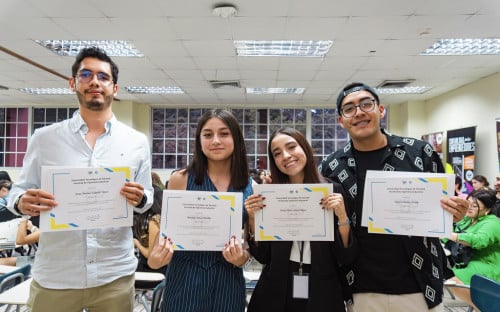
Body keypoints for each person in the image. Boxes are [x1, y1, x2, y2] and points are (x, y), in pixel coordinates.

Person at [6, 46, 153, 312]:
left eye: (103, 76)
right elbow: (17, 192)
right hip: (57, 275)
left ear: (114, 88)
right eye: (86, 75)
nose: (95, 81)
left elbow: (147, 198)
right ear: (73, 83)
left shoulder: (136, 142)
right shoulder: (44, 138)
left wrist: (140, 197)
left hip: (113, 275)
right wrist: (22, 202)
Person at [319, 82, 467, 311]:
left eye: (366, 104)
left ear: (380, 110)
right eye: (349, 109)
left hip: (418, 285)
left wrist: (454, 214)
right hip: (358, 287)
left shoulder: (419, 152)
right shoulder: (332, 165)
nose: (358, 112)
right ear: (341, 120)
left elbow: (443, 211)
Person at [147, 109, 253, 312]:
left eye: (224, 133)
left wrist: (243, 257)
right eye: (207, 134)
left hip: (228, 279)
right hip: (185, 279)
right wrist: (156, 258)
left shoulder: (249, 185)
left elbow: (249, 242)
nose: (215, 141)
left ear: (236, 139)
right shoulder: (181, 179)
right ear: (199, 140)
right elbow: (161, 240)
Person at [244, 127, 356, 312]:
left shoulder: (332, 190)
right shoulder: (271, 194)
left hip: (322, 287)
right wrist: (253, 219)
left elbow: (346, 256)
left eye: (291, 147)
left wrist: (342, 216)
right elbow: (262, 255)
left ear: (304, 148)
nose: (286, 156)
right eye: (277, 153)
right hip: (275, 288)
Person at [445, 188, 500, 309]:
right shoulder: (468, 218)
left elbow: (479, 240)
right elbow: (450, 236)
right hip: (468, 260)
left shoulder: (492, 223)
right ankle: (480, 305)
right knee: (443, 270)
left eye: (474, 206)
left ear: (488, 210)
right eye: (468, 203)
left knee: (449, 274)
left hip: (488, 263)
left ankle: (482, 307)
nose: (469, 207)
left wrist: (449, 234)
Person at [133, 183, 166, 273]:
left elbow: (150, 254)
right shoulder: (165, 219)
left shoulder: (154, 221)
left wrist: (137, 243)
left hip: (151, 270)